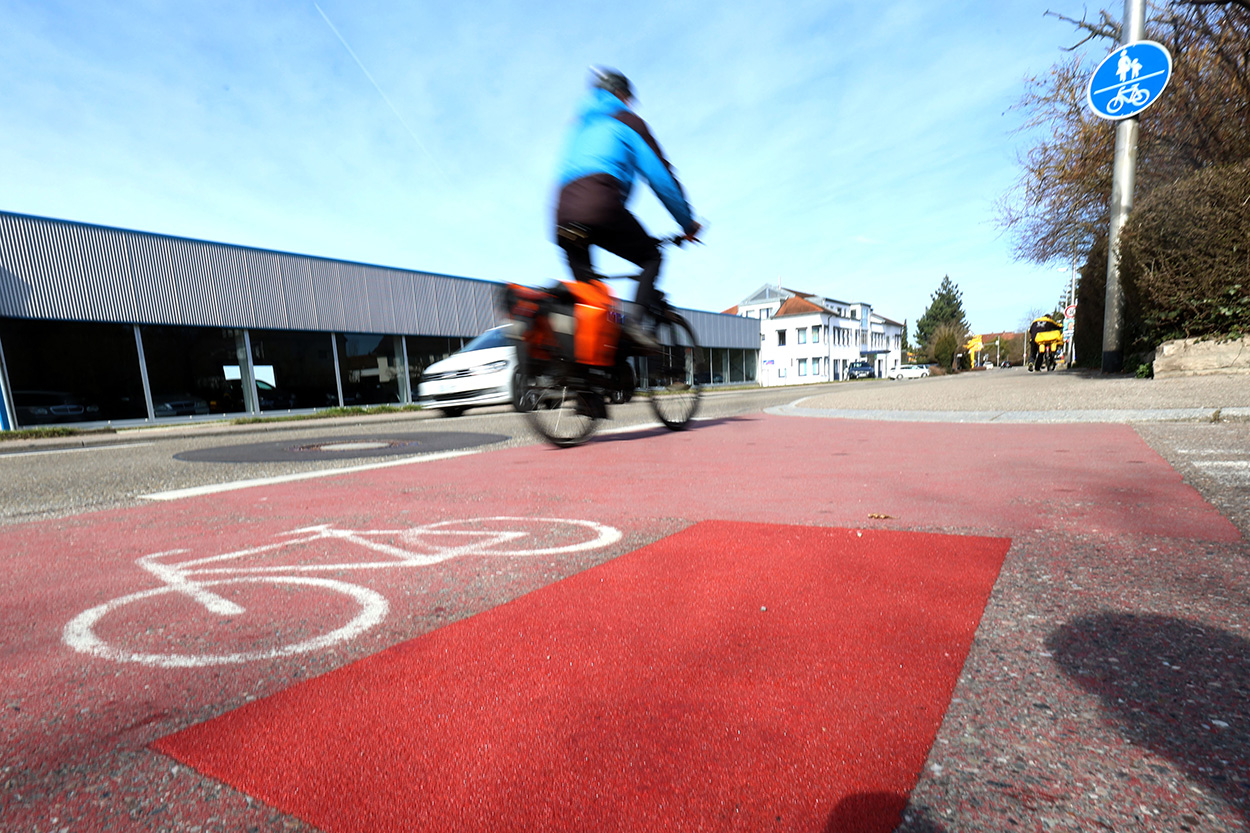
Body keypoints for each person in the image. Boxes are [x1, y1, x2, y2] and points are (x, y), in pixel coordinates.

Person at [553, 66, 701, 347]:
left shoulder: (580, 126)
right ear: (620, 94)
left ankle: (590, 376)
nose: (630, 104)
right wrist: (687, 224)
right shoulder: (627, 121)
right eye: (628, 98)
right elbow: (661, 178)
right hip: (599, 204)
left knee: (591, 299)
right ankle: (634, 325)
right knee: (651, 257)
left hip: (562, 215)